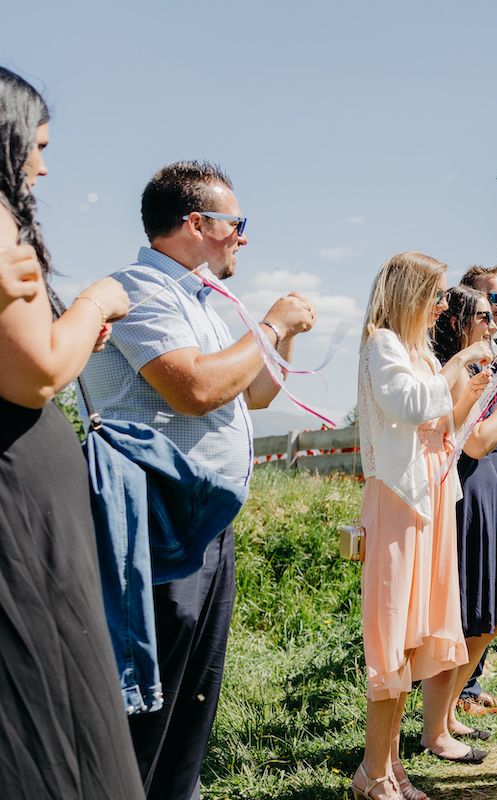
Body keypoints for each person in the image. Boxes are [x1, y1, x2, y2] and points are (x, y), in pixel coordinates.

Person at [82, 160, 314, 799]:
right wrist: (269, 325)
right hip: (154, 523)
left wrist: (282, 338)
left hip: (204, 520)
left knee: (192, 696)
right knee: (150, 700)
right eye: (237, 224)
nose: (244, 237)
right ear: (196, 223)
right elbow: (197, 388)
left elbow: (257, 394)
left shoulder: (203, 301)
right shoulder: (138, 290)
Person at [0, 66, 146, 800]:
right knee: (49, 707)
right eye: (37, 145)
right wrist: (93, 302)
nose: (44, 165)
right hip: (17, 508)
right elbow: (36, 374)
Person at [357, 256, 488, 800]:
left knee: (411, 643)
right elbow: (406, 405)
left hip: (432, 498)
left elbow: (443, 423)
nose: (441, 306)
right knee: (391, 637)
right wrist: (459, 366)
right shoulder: (382, 344)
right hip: (397, 498)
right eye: (435, 295)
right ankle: (372, 771)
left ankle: (390, 767)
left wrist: (477, 388)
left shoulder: (419, 354)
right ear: (410, 294)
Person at [429, 283, 497, 758]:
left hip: (490, 490)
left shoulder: (479, 367)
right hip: (465, 492)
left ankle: (449, 712)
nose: (492, 322)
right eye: (482, 315)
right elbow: (475, 442)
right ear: (456, 322)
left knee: (489, 617)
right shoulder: (453, 372)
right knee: (471, 617)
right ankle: (435, 726)